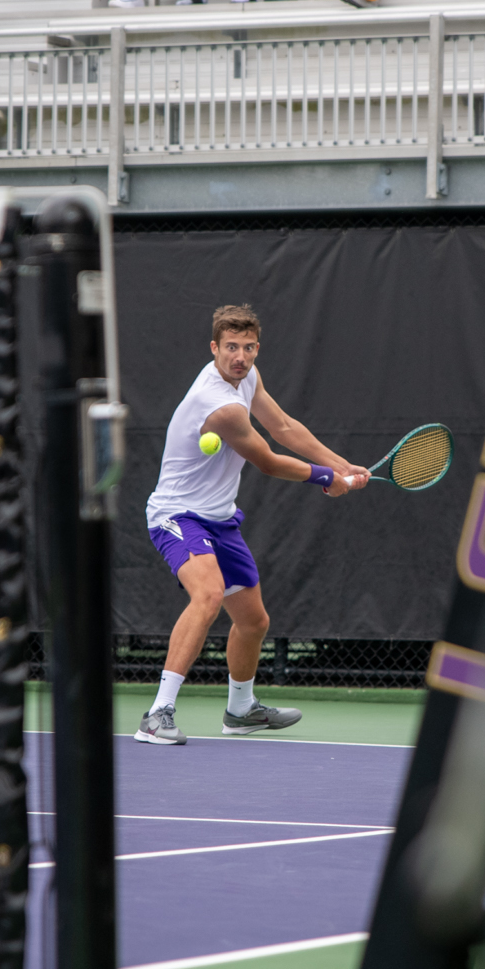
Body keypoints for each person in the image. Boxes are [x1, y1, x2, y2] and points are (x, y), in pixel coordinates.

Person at [135, 304, 369, 746]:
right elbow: (267, 460)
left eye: (247, 348)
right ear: (214, 348)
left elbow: (282, 425)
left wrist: (341, 464)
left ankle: (240, 710)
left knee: (253, 621)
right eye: (230, 348)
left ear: (256, 348)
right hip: (177, 515)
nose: (238, 357)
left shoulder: (248, 378)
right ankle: (157, 713)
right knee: (206, 596)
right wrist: (326, 480)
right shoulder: (219, 404)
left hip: (220, 519)